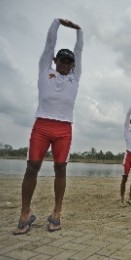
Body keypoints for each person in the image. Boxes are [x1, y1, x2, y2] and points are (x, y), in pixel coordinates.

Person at [13, 18, 83, 235]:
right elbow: (49, 44)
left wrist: (79, 30)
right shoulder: (46, 71)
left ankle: (56, 213)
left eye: (68, 62)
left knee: (60, 168)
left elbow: (79, 51)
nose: (65, 64)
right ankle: (25, 213)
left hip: (64, 129)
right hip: (42, 125)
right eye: (61, 60)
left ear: (72, 65)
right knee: (32, 166)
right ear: (55, 60)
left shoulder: (74, 78)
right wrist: (56, 23)